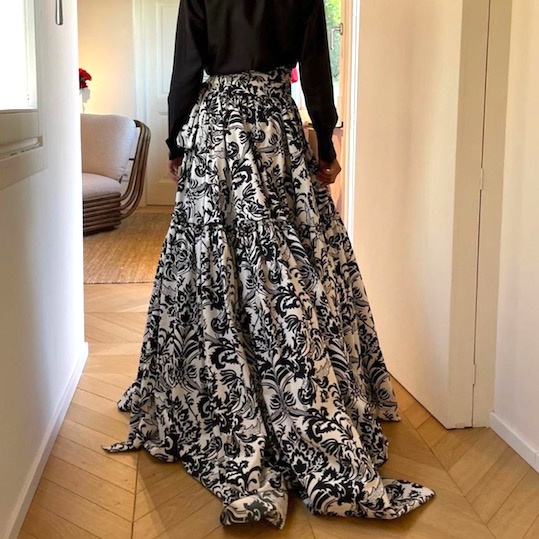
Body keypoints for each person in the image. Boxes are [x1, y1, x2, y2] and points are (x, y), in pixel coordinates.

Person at [105, 0, 434, 528]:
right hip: (275, 130)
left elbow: (187, 68)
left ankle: (224, 394)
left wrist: (176, 140)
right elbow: (316, 71)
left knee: (213, 264)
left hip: (218, 135)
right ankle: (304, 394)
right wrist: (324, 144)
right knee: (289, 268)